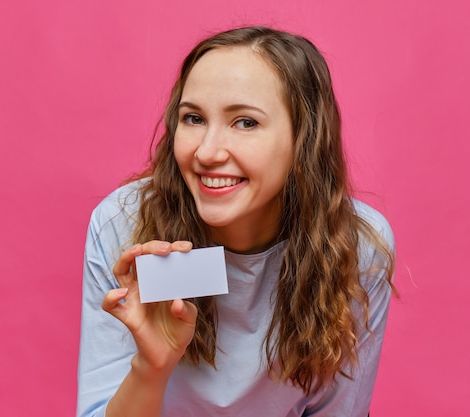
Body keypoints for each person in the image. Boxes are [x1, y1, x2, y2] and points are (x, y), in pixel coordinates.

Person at [77, 26, 395, 417]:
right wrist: (152, 366)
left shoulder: (357, 246)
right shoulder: (124, 226)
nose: (207, 152)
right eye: (193, 118)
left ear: (303, 140)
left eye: (245, 123)